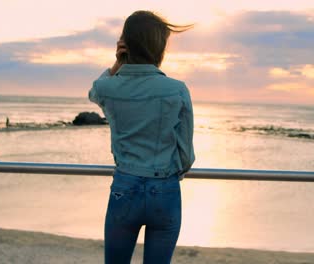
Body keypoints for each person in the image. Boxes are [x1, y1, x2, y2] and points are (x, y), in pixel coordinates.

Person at [89, 10, 195, 264]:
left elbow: (94, 92)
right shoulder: (177, 90)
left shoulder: (108, 88)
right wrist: (168, 177)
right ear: (159, 46)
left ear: (126, 44)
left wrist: (118, 63)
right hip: (165, 189)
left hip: (125, 188)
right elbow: (186, 155)